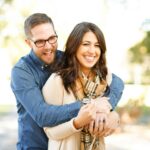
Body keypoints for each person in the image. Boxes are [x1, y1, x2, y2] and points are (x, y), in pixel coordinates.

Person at [10, 13, 124, 150]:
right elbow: (42, 115)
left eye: (52, 38)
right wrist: (90, 105)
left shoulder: (66, 59)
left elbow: (116, 81)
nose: (48, 47)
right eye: (40, 41)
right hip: (35, 146)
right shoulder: (22, 72)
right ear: (28, 43)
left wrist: (109, 109)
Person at [42, 22, 124, 150]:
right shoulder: (57, 81)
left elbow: (107, 106)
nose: (92, 51)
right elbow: (50, 131)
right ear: (74, 46)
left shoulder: (104, 79)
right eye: (86, 44)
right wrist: (77, 123)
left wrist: (113, 116)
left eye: (97, 45)